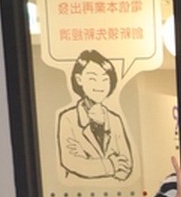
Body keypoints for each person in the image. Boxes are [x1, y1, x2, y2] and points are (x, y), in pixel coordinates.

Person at [56, 49, 134, 181]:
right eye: (92, 78)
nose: (100, 85)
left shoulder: (114, 119)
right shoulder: (68, 118)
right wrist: (111, 165)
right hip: (78, 191)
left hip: (117, 190)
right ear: (79, 79)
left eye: (105, 79)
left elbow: (126, 166)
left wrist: (95, 165)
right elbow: (72, 162)